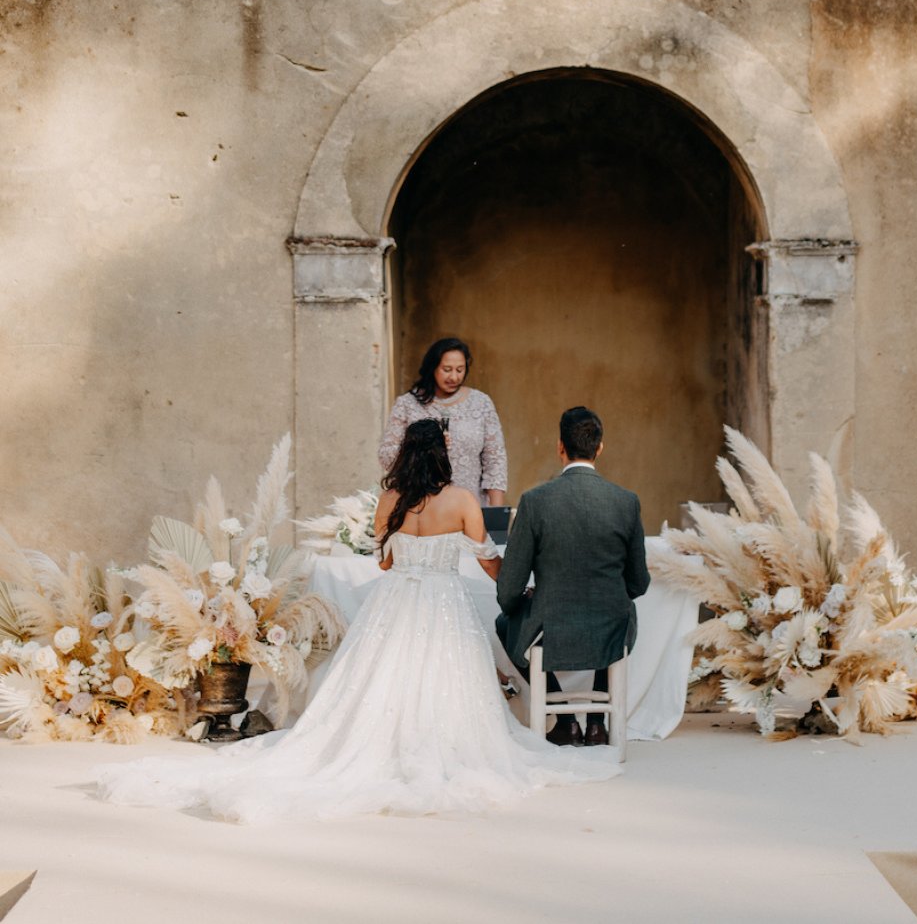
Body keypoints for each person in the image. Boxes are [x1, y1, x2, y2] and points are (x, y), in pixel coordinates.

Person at [95, 420, 618, 822]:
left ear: (406, 457)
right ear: (443, 456)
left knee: (380, 680)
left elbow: (384, 561)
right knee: (443, 679)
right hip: (442, 605)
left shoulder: (389, 500)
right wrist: (520, 579)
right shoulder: (461, 500)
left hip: (395, 604)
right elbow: (487, 559)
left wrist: (410, 552)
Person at [496, 406, 649, 747]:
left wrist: (521, 601)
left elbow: (508, 588)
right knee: (613, 614)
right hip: (612, 624)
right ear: (600, 448)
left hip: (551, 623)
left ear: (559, 447)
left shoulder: (535, 502)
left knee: (505, 622)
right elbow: (639, 583)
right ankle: (596, 724)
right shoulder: (626, 502)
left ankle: (565, 724)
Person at [379, 337, 508, 507]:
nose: (454, 377)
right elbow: (386, 456)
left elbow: (495, 460)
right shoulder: (407, 404)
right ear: (432, 368)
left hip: (470, 507)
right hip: (420, 506)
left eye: (460, 370)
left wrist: (496, 514)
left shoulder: (481, 403)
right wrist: (422, 445)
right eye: (447, 369)